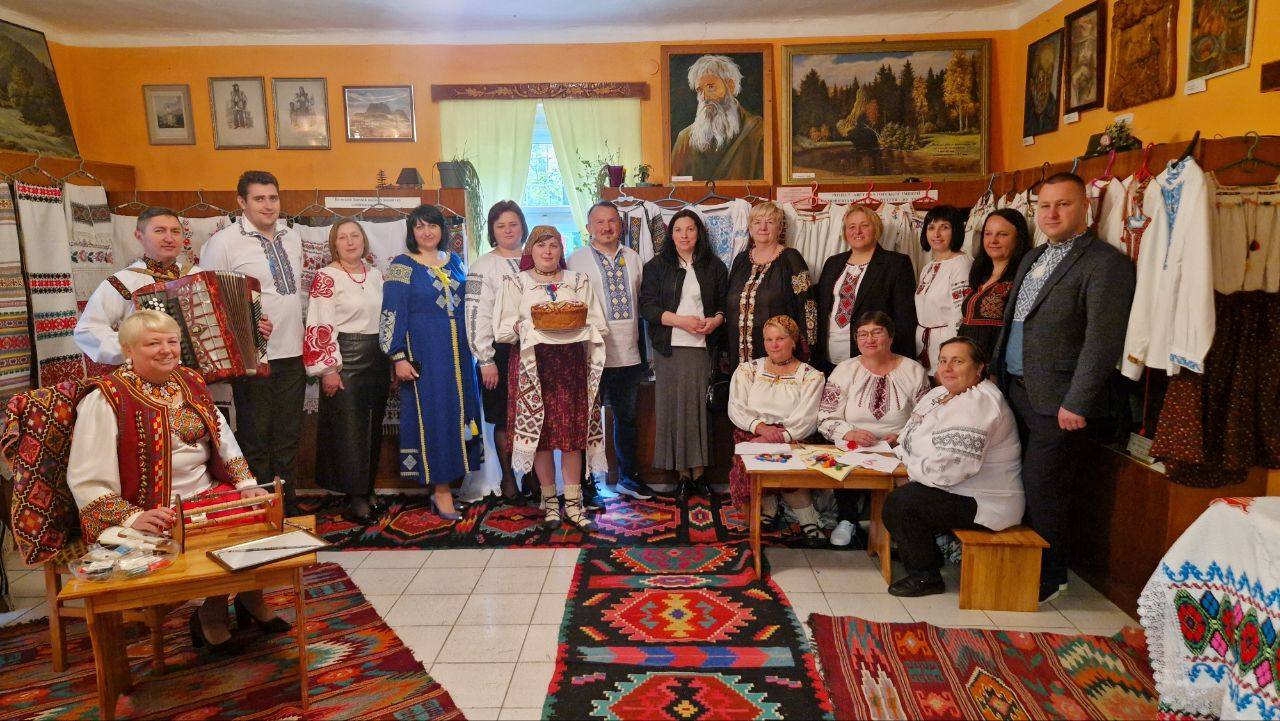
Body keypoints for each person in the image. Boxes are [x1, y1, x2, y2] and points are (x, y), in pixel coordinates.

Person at [67, 310, 290, 655]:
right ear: (128, 350)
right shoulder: (106, 398)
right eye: (153, 343)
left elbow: (222, 437)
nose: (166, 350)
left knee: (259, 514)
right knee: (211, 533)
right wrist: (131, 517)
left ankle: (249, 597)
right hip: (153, 508)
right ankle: (211, 616)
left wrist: (246, 484)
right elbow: (87, 477)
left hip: (207, 491)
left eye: (172, 342)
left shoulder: (189, 380)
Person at [993, 172, 1135, 603]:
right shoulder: (1033, 256)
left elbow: (1102, 341)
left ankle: (1050, 574)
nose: (1052, 213)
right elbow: (1014, 322)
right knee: (1017, 480)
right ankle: (1020, 562)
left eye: (1063, 204)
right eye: (1045, 206)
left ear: (1085, 207)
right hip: (1016, 389)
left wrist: (1077, 401)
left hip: (1058, 401)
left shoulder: (1105, 263)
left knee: (1045, 488)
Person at [883, 337, 1024, 597]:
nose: (947, 368)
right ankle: (923, 552)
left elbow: (949, 471)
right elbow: (909, 437)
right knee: (901, 493)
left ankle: (926, 576)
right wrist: (906, 456)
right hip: (957, 489)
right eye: (943, 361)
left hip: (986, 501)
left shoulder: (980, 403)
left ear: (979, 368)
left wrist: (909, 467)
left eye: (958, 361)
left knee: (902, 503)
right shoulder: (939, 394)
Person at [200, 170, 304, 512]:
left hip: (293, 352)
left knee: (288, 435)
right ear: (241, 202)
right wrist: (245, 322)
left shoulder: (292, 236)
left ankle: (287, 506)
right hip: (252, 357)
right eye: (259, 198)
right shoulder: (223, 242)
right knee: (256, 437)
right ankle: (261, 510)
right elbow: (209, 299)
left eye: (273, 198)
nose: (268, 205)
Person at [495, 225, 608, 531]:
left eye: (554, 245)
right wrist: (521, 327)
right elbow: (503, 329)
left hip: (570, 364)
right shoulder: (516, 282)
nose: (547, 251)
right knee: (541, 437)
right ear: (530, 250)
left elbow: (597, 323)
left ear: (561, 249)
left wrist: (574, 324)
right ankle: (550, 503)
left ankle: (573, 503)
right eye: (541, 245)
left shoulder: (577, 280)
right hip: (532, 366)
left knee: (572, 435)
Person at [380, 204, 484, 520]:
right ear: (412, 232)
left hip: (460, 357)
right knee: (435, 418)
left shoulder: (455, 262)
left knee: (459, 416)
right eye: (420, 226)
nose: (427, 232)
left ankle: (451, 484)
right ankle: (440, 491)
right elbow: (391, 313)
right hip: (425, 355)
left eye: (433, 226)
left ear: (442, 230)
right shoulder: (402, 266)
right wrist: (398, 356)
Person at [567, 201, 655, 501]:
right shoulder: (575, 260)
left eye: (612, 221)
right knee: (586, 421)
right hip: (588, 354)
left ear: (621, 224)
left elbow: (643, 301)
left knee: (626, 418)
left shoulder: (634, 258)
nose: (607, 227)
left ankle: (627, 478)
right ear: (588, 228)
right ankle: (586, 485)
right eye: (600, 222)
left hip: (628, 353)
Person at [818, 311, 930, 547]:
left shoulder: (913, 370)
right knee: (843, 462)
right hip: (853, 444)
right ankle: (847, 519)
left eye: (877, 332)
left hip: (899, 446)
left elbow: (927, 417)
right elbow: (826, 417)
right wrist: (850, 433)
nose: (869, 339)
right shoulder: (845, 370)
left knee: (909, 476)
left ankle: (899, 527)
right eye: (862, 334)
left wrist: (901, 437)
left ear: (891, 336)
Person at [638, 209, 728, 497]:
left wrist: (717, 320)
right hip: (669, 349)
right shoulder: (656, 267)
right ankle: (682, 477)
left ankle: (699, 475)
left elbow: (724, 305)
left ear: (699, 233)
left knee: (698, 411)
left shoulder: (714, 266)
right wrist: (681, 321)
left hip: (702, 349)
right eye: (678, 229)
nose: (684, 235)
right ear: (670, 234)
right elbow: (647, 308)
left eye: (690, 229)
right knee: (673, 410)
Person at [303, 219, 388, 524]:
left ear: (364, 241)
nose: (350, 242)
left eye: (355, 236)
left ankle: (368, 487)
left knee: (372, 426)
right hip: (345, 358)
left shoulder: (375, 274)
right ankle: (356, 497)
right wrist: (329, 368)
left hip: (377, 357)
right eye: (343, 237)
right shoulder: (326, 277)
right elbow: (319, 322)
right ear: (334, 244)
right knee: (349, 429)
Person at [727, 315, 826, 544]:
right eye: (769, 339)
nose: (774, 345)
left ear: (793, 340)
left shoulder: (810, 376)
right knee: (752, 466)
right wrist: (761, 429)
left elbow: (807, 418)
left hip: (793, 436)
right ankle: (769, 508)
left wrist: (779, 436)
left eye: (780, 339)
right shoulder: (748, 370)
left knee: (786, 468)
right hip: (752, 434)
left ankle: (808, 519)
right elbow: (736, 408)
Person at [75, 207, 206, 366]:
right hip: (148, 373)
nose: (169, 238)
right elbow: (87, 330)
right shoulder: (124, 281)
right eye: (159, 231)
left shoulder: (199, 276)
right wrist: (135, 349)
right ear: (139, 236)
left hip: (204, 372)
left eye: (175, 231)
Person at [466, 200, 529, 502]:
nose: (508, 230)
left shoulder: (537, 257)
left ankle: (534, 475)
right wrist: (485, 359)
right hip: (500, 352)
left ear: (522, 227)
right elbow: (475, 314)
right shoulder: (484, 266)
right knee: (504, 417)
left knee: (534, 415)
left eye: (513, 224)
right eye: (501, 225)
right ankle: (508, 477)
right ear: (492, 230)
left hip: (535, 349)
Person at [815, 204, 917, 372]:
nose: (858, 231)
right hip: (828, 355)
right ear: (845, 232)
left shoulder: (896, 264)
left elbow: (905, 319)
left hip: (874, 358)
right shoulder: (832, 263)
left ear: (876, 229)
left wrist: (901, 366)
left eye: (864, 225)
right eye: (851, 227)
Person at [725, 201, 816, 366]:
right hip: (737, 355)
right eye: (757, 222)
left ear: (779, 229)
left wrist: (809, 351)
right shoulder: (741, 260)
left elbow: (808, 306)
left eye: (770, 222)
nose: (763, 227)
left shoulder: (791, 259)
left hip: (777, 354)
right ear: (750, 228)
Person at [670, 54, 765, 181]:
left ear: (730, 86)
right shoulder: (685, 138)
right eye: (699, 90)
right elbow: (673, 185)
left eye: (711, 87)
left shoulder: (758, 131)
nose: (704, 97)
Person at [960, 209, 1032, 360]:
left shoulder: (1023, 278)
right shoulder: (980, 276)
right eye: (988, 234)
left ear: (1018, 238)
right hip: (968, 363)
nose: (993, 240)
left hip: (997, 364)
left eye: (1002, 234)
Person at [913, 205, 972, 375]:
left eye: (944, 227)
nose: (936, 234)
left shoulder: (962, 264)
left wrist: (951, 357)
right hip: (924, 345)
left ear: (956, 231)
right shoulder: (928, 267)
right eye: (931, 227)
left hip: (947, 347)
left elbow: (960, 315)